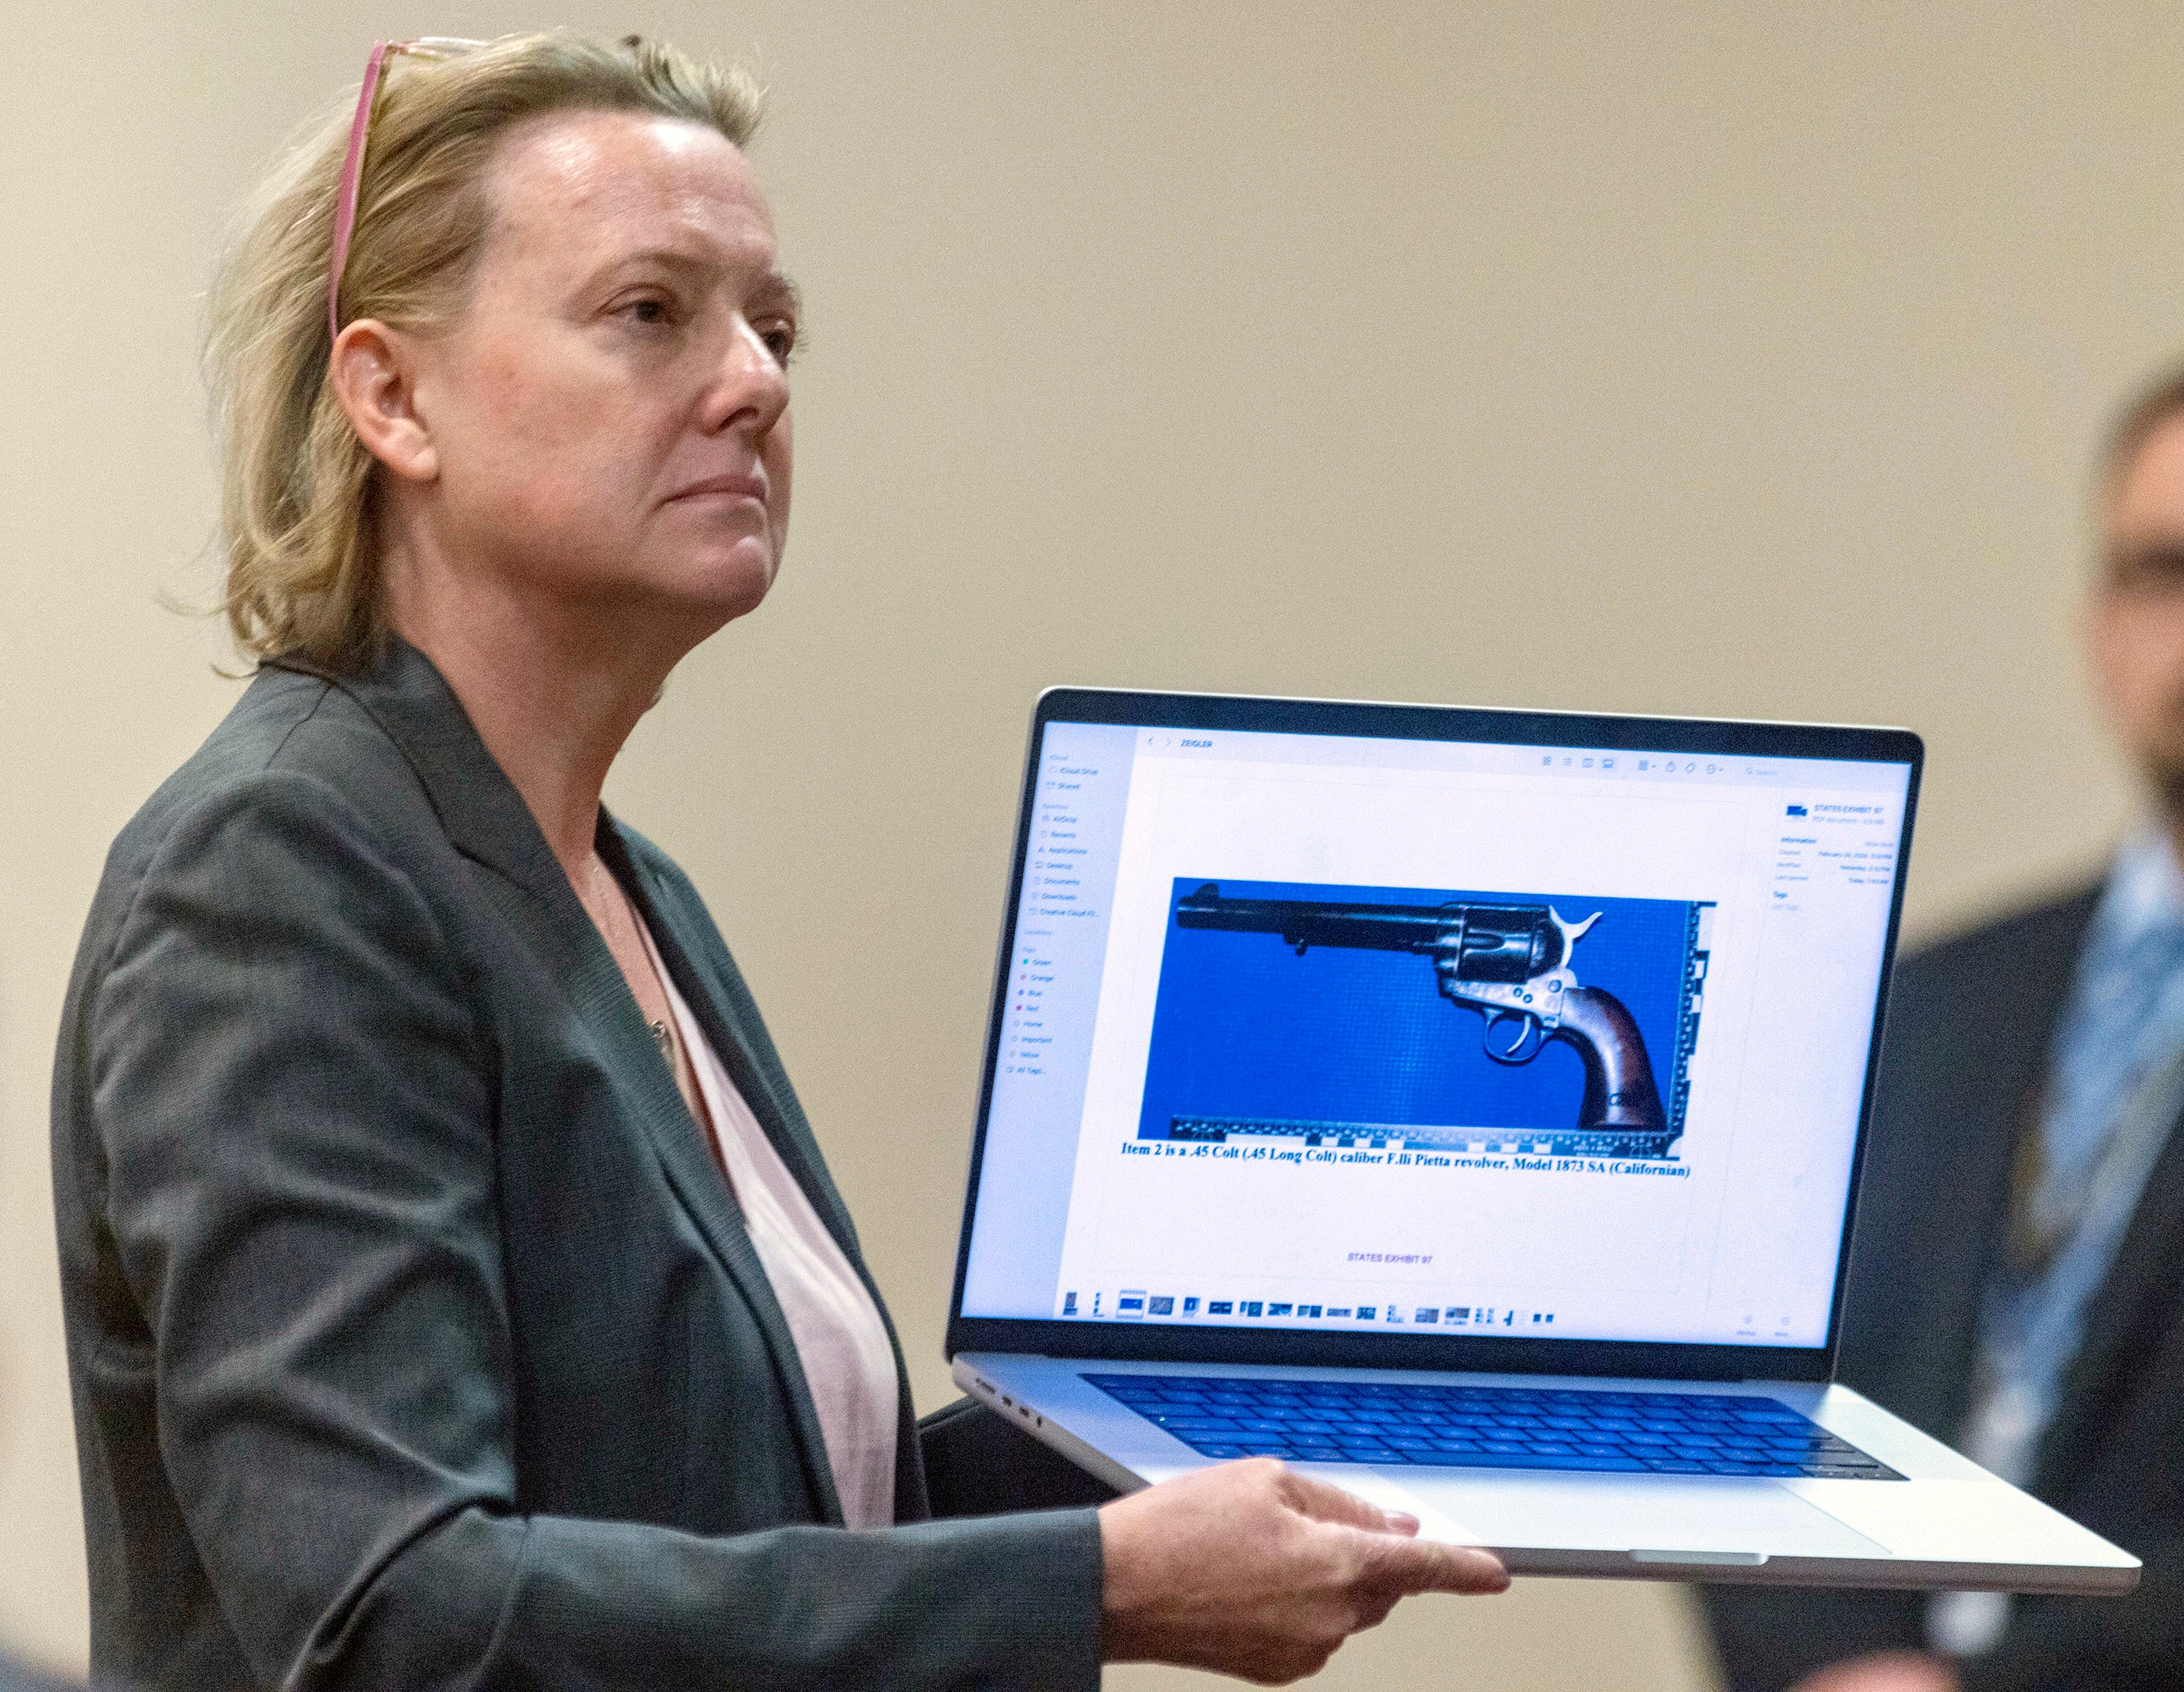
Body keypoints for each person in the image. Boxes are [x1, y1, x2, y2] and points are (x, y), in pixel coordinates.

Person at [50, 33, 1507, 1690]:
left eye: (774, 325)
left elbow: (789, 1512)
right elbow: (400, 1617)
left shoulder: (623, 886)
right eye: (652, 312)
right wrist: (1092, 1589)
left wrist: (1240, 1405)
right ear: (393, 395)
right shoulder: (279, 870)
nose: (755, 380)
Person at [1706, 355, 2184, 1692]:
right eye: (2170, 571)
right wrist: (1839, 1665)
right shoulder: (1934, 1002)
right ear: (2102, 629)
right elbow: (1757, 1382)